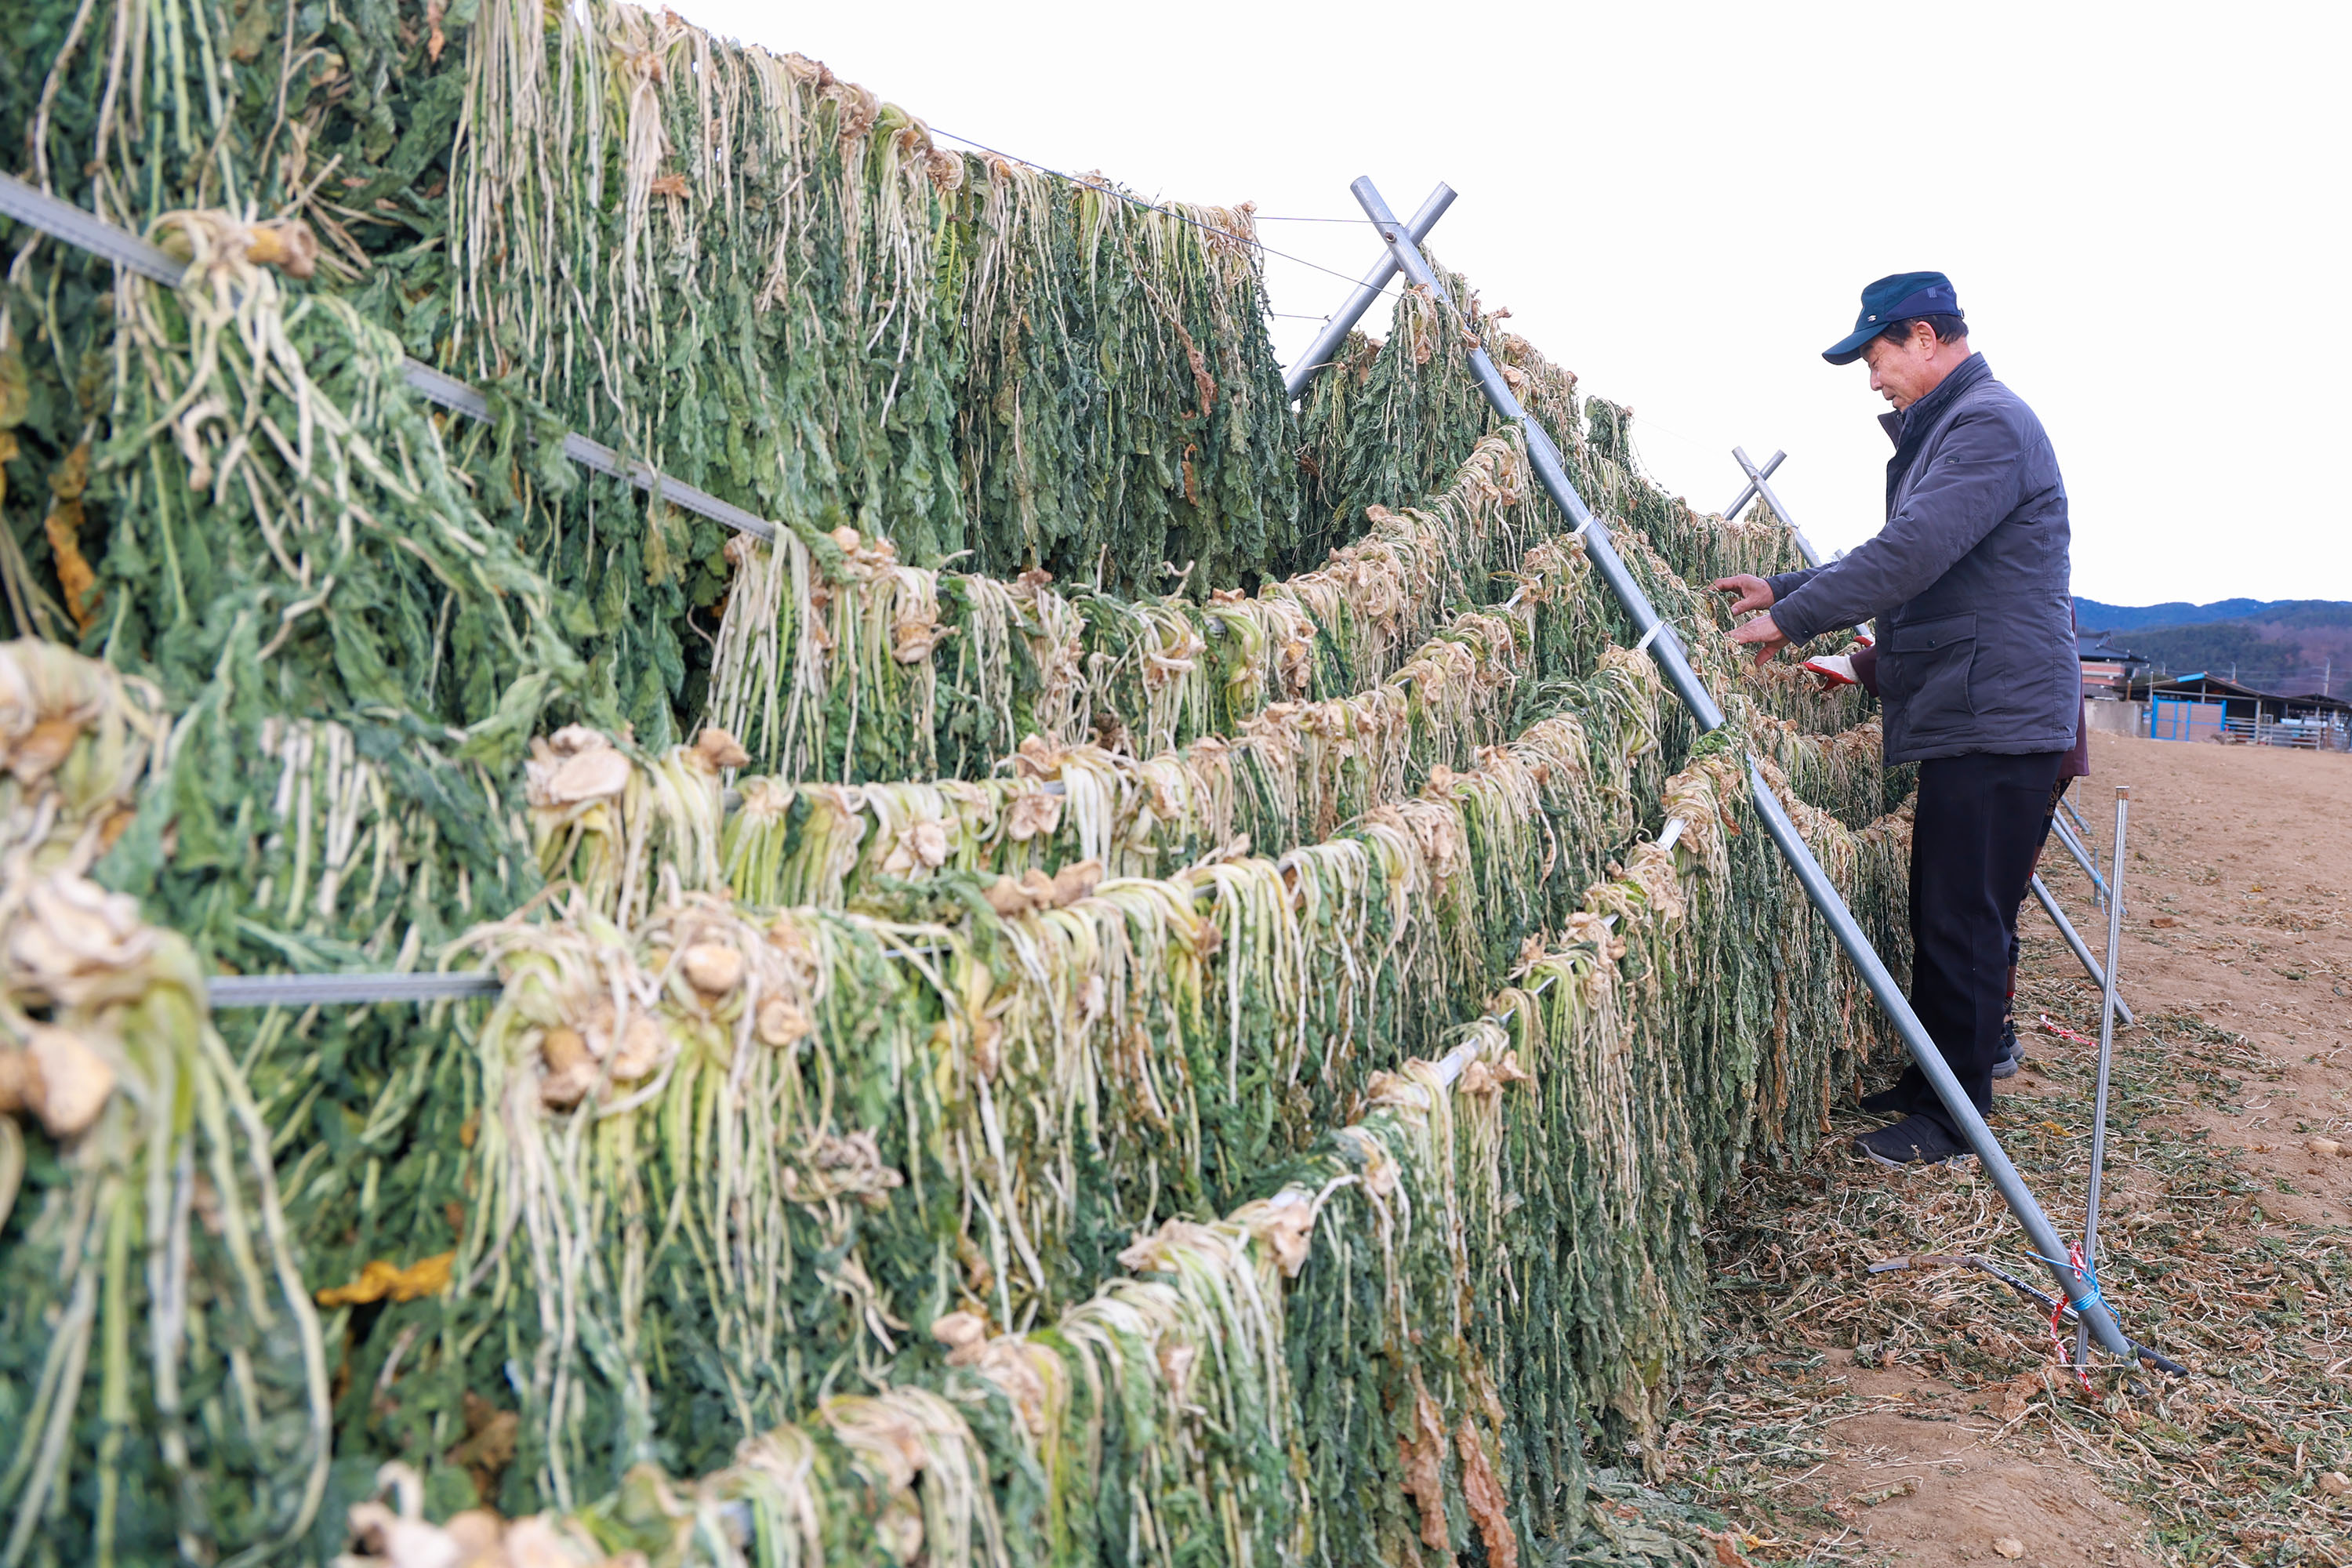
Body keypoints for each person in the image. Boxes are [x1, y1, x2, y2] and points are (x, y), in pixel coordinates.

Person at [1711, 271, 2078, 1168]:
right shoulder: (1956, 427)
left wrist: (1793, 618)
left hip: (1996, 713)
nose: (1872, 379)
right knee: (1943, 907)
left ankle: (1956, 1121)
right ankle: (1933, 1083)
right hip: (1974, 708)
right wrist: (1788, 586)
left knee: (1964, 916)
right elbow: (1906, 547)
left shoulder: (1986, 423)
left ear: (1922, 335)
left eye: (1875, 357)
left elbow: (1912, 552)